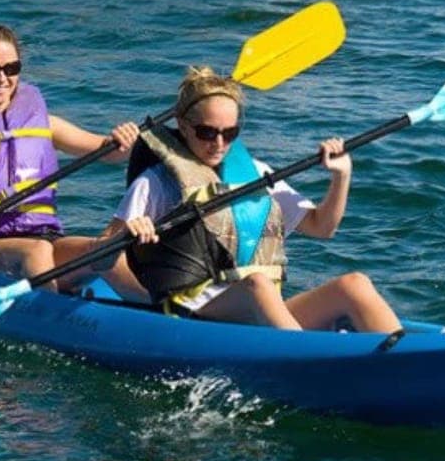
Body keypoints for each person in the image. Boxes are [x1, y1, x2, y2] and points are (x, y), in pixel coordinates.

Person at [96, 66, 403, 333]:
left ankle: (405, 359)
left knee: (354, 285)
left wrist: (341, 176)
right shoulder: (157, 181)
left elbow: (322, 227)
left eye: (230, 134)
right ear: (182, 124)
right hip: (197, 314)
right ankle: (307, 361)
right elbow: (103, 255)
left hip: (258, 308)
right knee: (259, 285)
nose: (219, 144)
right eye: (207, 132)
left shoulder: (256, 173)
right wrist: (128, 234)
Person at [0, 22, 146, 298]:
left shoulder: (42, 122)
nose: (2, 79)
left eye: (11, 69)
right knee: (37, 252)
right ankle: (55, 318)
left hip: (45, 234)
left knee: (101, 248)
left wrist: (126, 140)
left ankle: (168, 312)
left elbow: (110, 153)